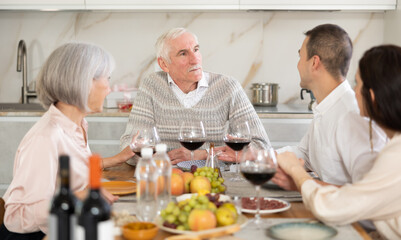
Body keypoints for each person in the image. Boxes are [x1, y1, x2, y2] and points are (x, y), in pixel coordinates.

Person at [0, 43, 135, 239]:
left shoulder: (77, 125)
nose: (109, 88)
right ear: (83, 82)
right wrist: (79, 197)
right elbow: (16, 217)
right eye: (107, 78)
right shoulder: (46, 137)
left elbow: (74, 177)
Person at [277, 44, 401, 239]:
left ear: (373, 97)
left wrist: (297, 172)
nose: (354, 91)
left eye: (358, 84)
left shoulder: (396, 156)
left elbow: (333, 207)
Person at [120, 27, 270, 165]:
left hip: (215, 176)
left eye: (196, 49)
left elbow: (261, 147)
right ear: (164, 64)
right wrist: (156, 159)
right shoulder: (151, 86)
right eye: (183, 53)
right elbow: (129, 145)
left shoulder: (228, 86)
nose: (195, 59)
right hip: (168, 176)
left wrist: (204, 154)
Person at [272, 24, 386, 189]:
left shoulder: (353, 115)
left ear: (314, 62)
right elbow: (305, 154)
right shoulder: (326, 106)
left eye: (300, 56)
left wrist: (301, 183)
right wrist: (257, 157)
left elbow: (368, 193)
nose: (298, 65)